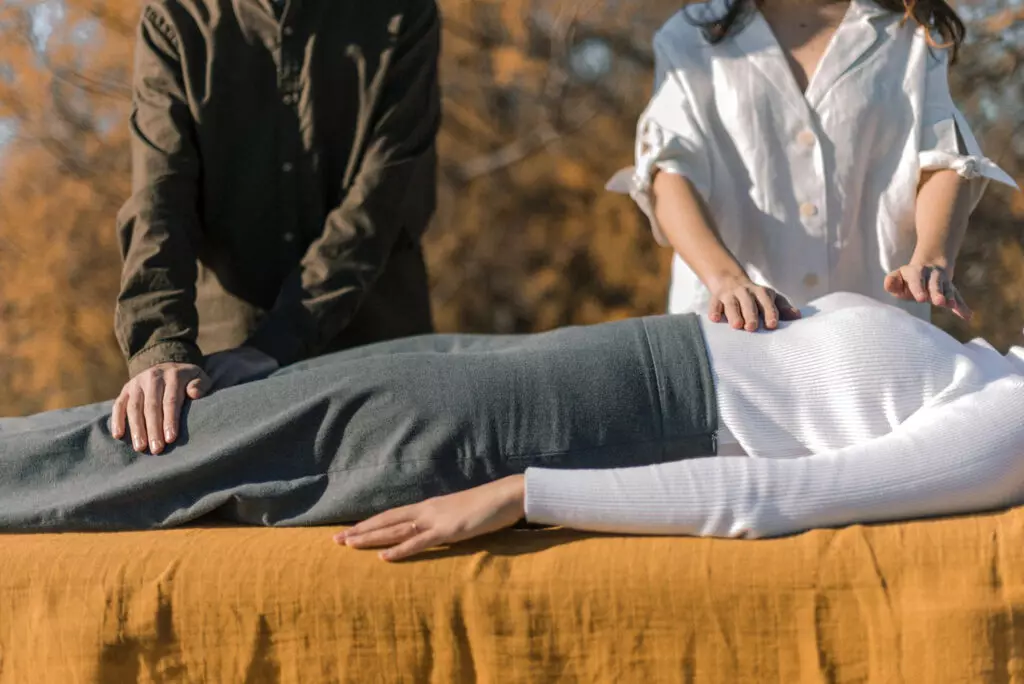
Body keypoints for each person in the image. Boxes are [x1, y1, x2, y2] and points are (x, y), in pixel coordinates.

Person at [2, 293, 1022, 562]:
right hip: (590, 359)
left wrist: (524, 494)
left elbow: (781, 498)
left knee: (192, 448)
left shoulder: (1014, 426)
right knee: (219, 420)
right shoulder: (1000, 367)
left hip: (594, 423)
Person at [110, 0, 441, 456]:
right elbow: (159, 197)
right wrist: (161, 344)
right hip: (225, 363)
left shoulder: (401, 11)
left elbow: (381, 199)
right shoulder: (175, 19)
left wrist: (281, 339)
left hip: (378, 347)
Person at [606, 0, 1018, 332]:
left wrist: (933, 257)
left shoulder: (911, 32)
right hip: (730, 341)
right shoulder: (689, 36)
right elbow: (668, 171)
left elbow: (942, 158)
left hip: (875, 338)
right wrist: (726, 280)